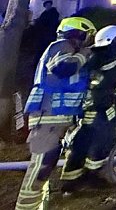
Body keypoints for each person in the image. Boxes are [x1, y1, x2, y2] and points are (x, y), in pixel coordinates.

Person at [15, 16, 95, 210]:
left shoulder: (71, 51)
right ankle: (25, 207)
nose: (89, 41)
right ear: (79, 33)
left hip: (57, 119)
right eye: (87, 36)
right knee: (40, 167)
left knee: (46, 166)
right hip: (48, 117)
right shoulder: (60, 46)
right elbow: (64, 68)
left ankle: (38, 205)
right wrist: (87, 52)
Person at [59, 25, 116, 192]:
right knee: (84, 143)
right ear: (110, 41)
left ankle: (91, 174)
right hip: (93, 108)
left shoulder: (108, 57)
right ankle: (72, 181)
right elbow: (100, 84)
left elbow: (115, 85)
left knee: (102, 142)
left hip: (104, 108)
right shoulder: (97, 58)